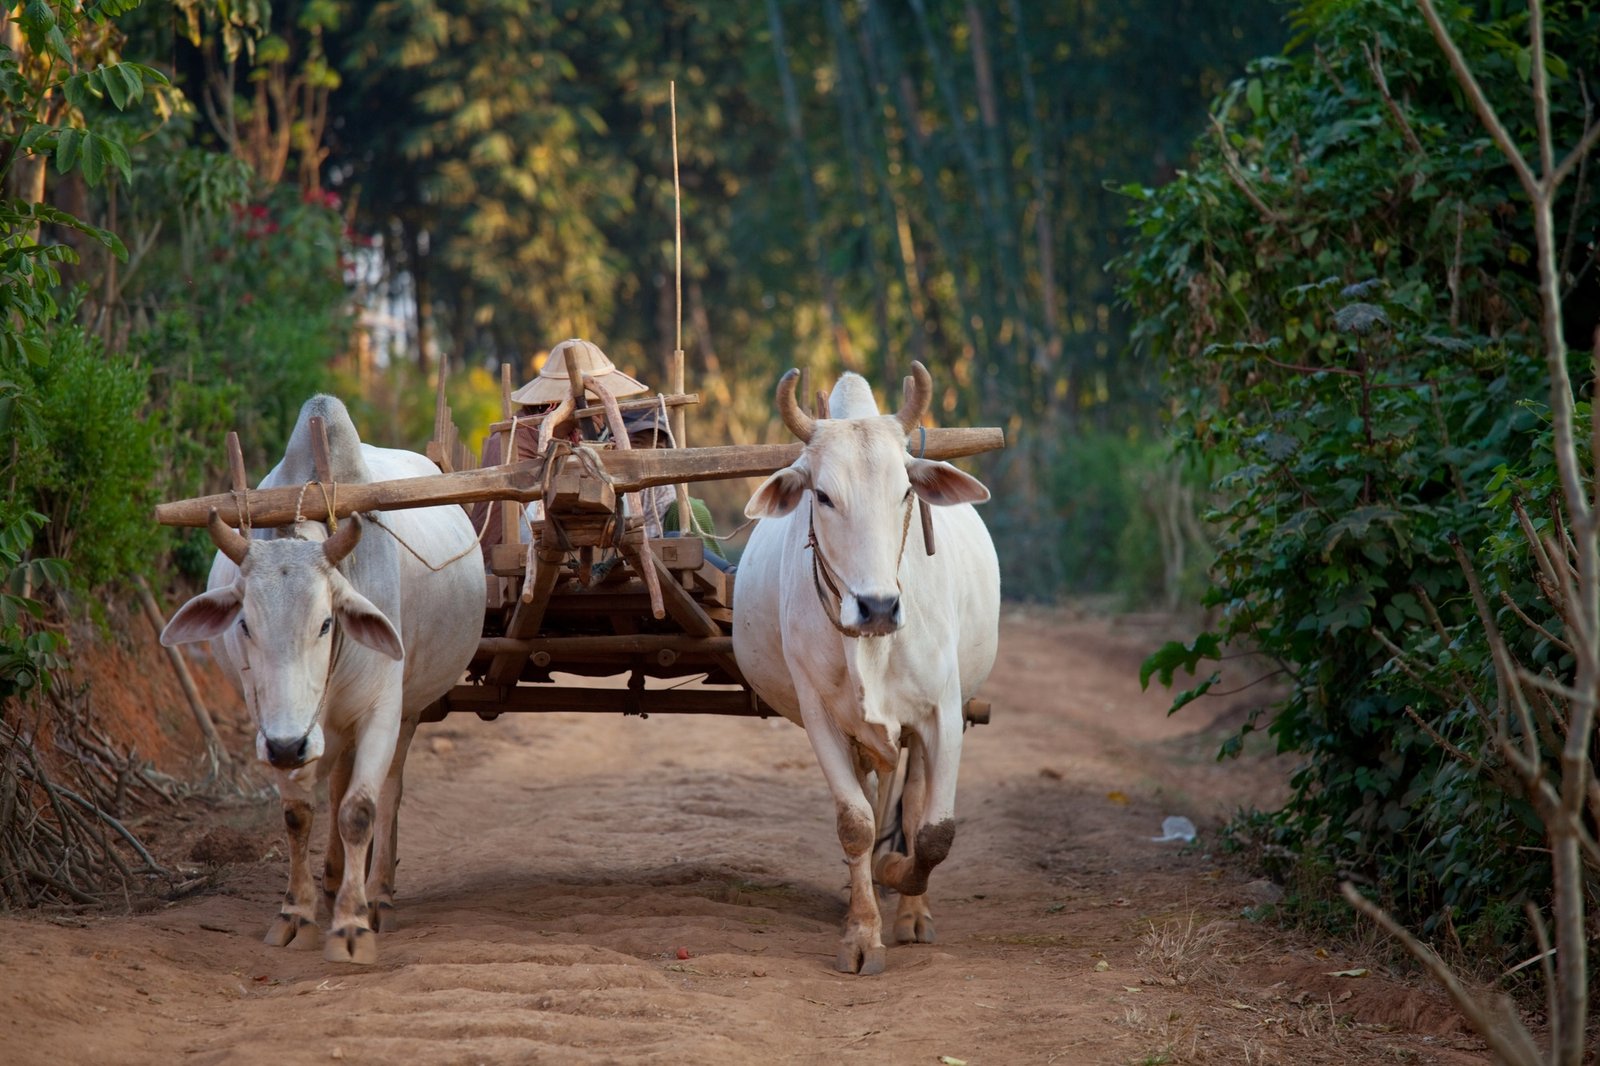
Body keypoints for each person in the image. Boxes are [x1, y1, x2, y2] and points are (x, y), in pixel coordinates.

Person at [472, 338, 649, 552]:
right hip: (518, 539)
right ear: (561, 402)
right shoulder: (515, 437)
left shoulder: (572, 435)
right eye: (594, 401)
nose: (601, 409)